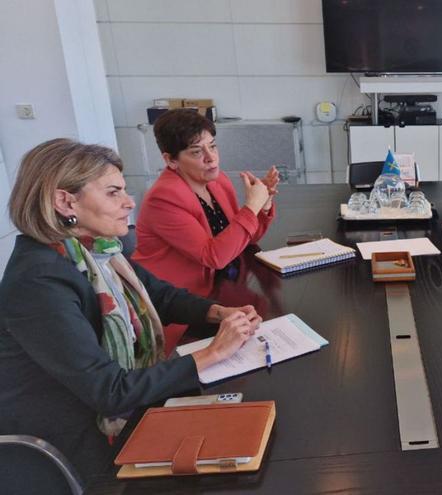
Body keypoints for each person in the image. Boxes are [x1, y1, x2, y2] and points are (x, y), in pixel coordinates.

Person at [0, 139, 263, 481]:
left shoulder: (97, 250)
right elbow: (109, 392)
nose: (129, 202)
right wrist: (213, 352)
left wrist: (220, 313)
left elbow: (162, 297)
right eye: (113, 193)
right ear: (65, 201)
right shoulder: (38, 281)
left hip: (111, 413)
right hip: (72, 443)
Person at [133, 109, 278, 351]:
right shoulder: (164, 197)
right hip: (177, 305)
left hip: (218, 291)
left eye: (213, 146)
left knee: (269, 319)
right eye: (197, 152)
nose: (211, 158)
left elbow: (244, 238)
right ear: (170, 160)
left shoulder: (217, 182)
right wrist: (251, 207)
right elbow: (215, 256)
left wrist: (263, 205)